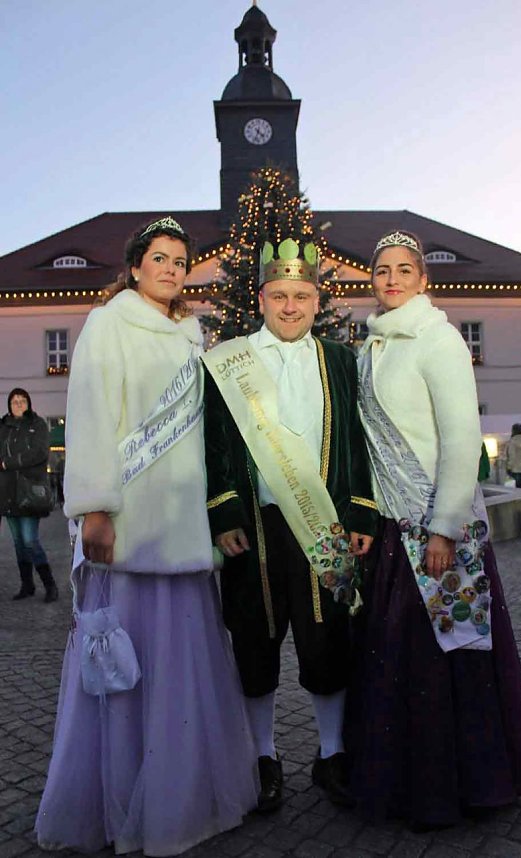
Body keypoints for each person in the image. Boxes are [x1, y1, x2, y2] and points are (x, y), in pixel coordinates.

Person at [36, 217, 257, 856]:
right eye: (159, 258)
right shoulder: (109, 324)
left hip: (182, 525)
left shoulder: (193, 336)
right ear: (135, 267)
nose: (170, 268)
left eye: (180, 260)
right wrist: (96, 506)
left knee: (182, 670)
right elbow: (93, 414)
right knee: (128, 672)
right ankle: (125, 795)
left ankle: (180, 794)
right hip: (130, 525)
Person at [345, 229, 521, 830]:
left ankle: (460, 783)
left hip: (437, 531)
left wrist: (442, 529)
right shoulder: (373, 345)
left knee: (450, 656)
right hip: (394, 529)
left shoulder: (437, 340)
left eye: (402, 270)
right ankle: (409, 778)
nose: (390, 280)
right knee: (405, 661)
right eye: (381, 270)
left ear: (422, 279)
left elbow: (463, 440)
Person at [203, 236, 376, 813]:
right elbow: (219, 446)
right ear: (260, 297)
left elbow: (356, 442)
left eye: (302, 295)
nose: (291, 307)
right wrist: (224, 511)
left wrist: (360, 511)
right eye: (279, 295)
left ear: (317, 296)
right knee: (255, 640)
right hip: (254, 526)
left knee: (329, 639)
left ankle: (330, 755)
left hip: (324, 526)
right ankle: (263, 756)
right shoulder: (229, 361)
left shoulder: (340, 359)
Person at [0, 388, 58, 602]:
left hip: (29, 492)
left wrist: (8, 463)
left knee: (29, 540)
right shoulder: (2, 426)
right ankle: (27, 585)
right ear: (9, 404)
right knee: (17, 542)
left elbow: (39, 453)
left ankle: (50, 585)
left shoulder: (38, 424)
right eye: (14, 401)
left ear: (29, 403)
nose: (18, 404)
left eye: (22, 400)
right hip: (7, 492)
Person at [505, 423, 521, 488]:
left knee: (515, 489)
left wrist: (509, 467)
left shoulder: (512, 442)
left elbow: (512, 456)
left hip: (514, 469)